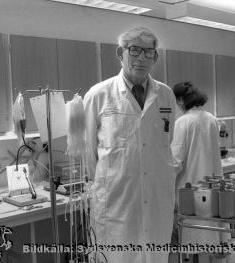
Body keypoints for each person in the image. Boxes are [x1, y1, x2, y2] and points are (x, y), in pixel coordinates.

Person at [83, 26, 176, 263]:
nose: (141, 58)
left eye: (148, 52)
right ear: (120, 53)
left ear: (155, 57)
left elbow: (167, 143)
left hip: (156, 199)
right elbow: (87, 153)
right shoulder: (99, 95)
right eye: (134, 50)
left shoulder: (165, 96)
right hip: (115, 202)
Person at [171, 81, 229, 263]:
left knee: (196, 236)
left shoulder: (183, 122)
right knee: (208, 235)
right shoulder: (211, 118)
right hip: (211, 186)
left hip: (191, 189)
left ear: (180, 100)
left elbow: (175, 160)